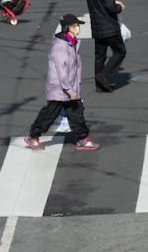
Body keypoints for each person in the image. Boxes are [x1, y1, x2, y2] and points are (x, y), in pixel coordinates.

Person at [23, 14, 100, 152]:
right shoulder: (61, 47)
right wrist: (70, 90)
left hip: (68, 89)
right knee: (49, 114)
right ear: (68, 28)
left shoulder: (71, 43)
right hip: (60, 90)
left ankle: (82, 138)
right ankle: (33, 136)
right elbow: (62, 73)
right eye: (76, 26)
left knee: (76, 112)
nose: (78, 28)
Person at [87, 0, 126, 91]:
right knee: (120, 51)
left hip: (97, 28)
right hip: (109, 27)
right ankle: (103, 76)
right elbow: (110, 7)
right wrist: (119, 7)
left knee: (100, 56)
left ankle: (100, 86)